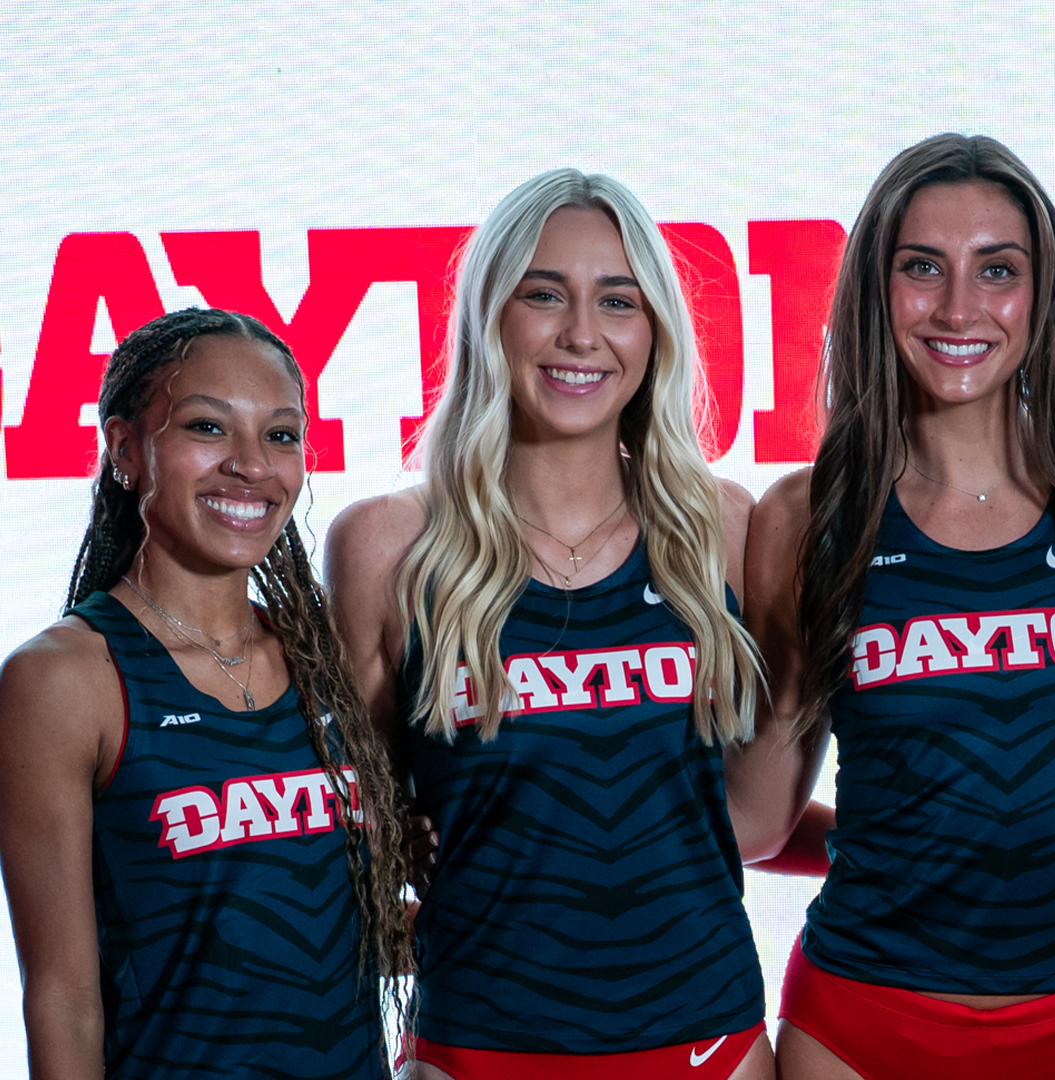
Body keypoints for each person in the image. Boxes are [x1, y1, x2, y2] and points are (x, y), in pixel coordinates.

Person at [729, 133, 1055, 1080]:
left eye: (998, 270)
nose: (958, 309)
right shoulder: (806, 516)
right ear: (874, 288)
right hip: (858, 1026)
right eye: (922, 268)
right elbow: (760, 816)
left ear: (1044, 292)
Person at [325, 169, 771, 1080]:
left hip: (708, 1047)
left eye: (618, 299)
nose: (581, 334)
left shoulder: (723, 530)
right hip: (477, 1050)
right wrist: (395, 867)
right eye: (544, 294)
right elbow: (344, 825)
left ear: (655, 330)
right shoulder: (386, 545)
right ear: (490, 315)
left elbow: (744, 808)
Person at [0, 308, 411, 1077]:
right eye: (208, 428)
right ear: (125, 450)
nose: (253, 465)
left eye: (281, 435)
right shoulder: (65, 678)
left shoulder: (321, 656)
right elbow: (61, 995)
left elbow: (335, 923)